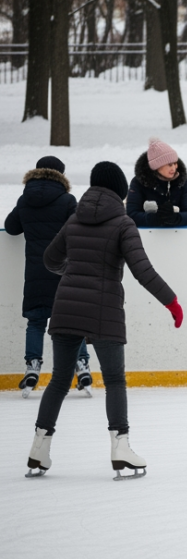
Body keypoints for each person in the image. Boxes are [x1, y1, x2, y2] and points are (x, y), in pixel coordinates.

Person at [24, 162, 184, 481]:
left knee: (59, 379)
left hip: (67, 304)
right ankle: (120, 449)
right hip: (104, 308)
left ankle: (38, 450)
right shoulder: (122, 223)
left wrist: (72, 275)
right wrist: (172, 302)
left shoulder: (74, 219)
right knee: (114, 379)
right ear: (120, 191)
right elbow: (143, 271)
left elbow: (50, 260)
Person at [5, 155, 89, 397]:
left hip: (34, 272)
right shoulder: (66, 200)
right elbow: (79, 228)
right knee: (73, 321)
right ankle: (81, 365)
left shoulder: (25, 199)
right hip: (62, 270)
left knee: (36, 322)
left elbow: (11, 228)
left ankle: (32, 367)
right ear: (61, 174)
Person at [127, 137, 187, 227]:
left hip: (178, 236)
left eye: (175, 163)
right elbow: (131, 214)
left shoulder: (182, 181)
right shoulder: (138, 182)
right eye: (169, 165)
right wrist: (155, 218)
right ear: (156, 166)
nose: (174, 168)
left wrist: (175, 218)